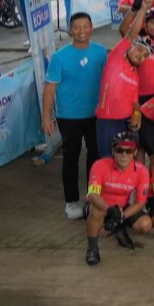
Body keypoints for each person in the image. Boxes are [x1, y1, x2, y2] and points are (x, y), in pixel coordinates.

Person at [42, 12, 108, 219]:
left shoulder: (101, 53)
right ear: (70, 30)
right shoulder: (59, 57)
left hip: (96, 114)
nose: (81, 31)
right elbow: (50, 89)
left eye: (85, 26)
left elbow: (109, 81)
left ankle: (92, 197)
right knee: (71, 156)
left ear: (91, 28)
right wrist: (46, 116)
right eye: (77, 27)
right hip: (68, 116)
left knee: (95, 156)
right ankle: (71, 202)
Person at [83, 130, 153, 265]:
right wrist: (109, 210)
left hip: (121, 208)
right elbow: (92, 194)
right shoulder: (99, 165)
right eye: (120, 150)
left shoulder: (142, 171)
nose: (124, 155)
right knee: (97, 210)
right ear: (113, 151)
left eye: (129, 151)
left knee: (145, 224)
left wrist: (120, 217)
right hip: (99, 205)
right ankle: (92, 249)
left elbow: (140, 202)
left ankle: (117, 226)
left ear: (135, 152)